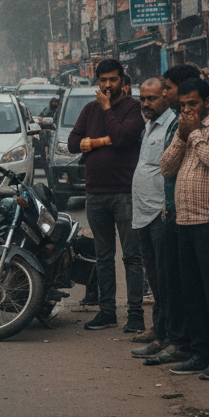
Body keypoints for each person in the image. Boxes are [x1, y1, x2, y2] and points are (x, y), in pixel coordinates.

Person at [161, 76, 209, 380]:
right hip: (184, 223)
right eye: (182, 106)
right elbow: (165, 167)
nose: (187, 110)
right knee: (191, 293)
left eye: (193, 104)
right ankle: (199, 353)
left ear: (208, 101)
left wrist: (193, 134)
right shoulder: (184, 130)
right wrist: (181, 135)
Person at [67, 58, 146, 333]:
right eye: (103, 80)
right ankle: (107, 311)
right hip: (95, 193)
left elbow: (123, 137)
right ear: (97, 82)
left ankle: (135, 314)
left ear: (123, 81)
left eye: (113, 79)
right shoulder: (90, 110)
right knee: (103, 256)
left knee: (132, 256)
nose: (108, 85)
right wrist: (97, 141)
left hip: (125, 193)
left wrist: (106, 114)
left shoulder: (132, 108)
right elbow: (72, 143)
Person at [141, 64, 200, 367]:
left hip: (188, 214)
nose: (164, 93)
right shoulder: (177, 125)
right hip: (170, 211)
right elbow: (167, 166)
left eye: (167, 88)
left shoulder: (194, 125)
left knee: (180, 285)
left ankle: (181, 342)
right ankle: (167, 337)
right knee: (165, 280)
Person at [128, 78, 176, 355]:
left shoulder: (172, 125)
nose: (146, 104)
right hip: (143, 213)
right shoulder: (149, 125)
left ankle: (167, 337)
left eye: (152, 98)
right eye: (143, 98)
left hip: (160, 213)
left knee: (164, 278)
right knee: (155, 278)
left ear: (165, 97)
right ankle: (159, 329)